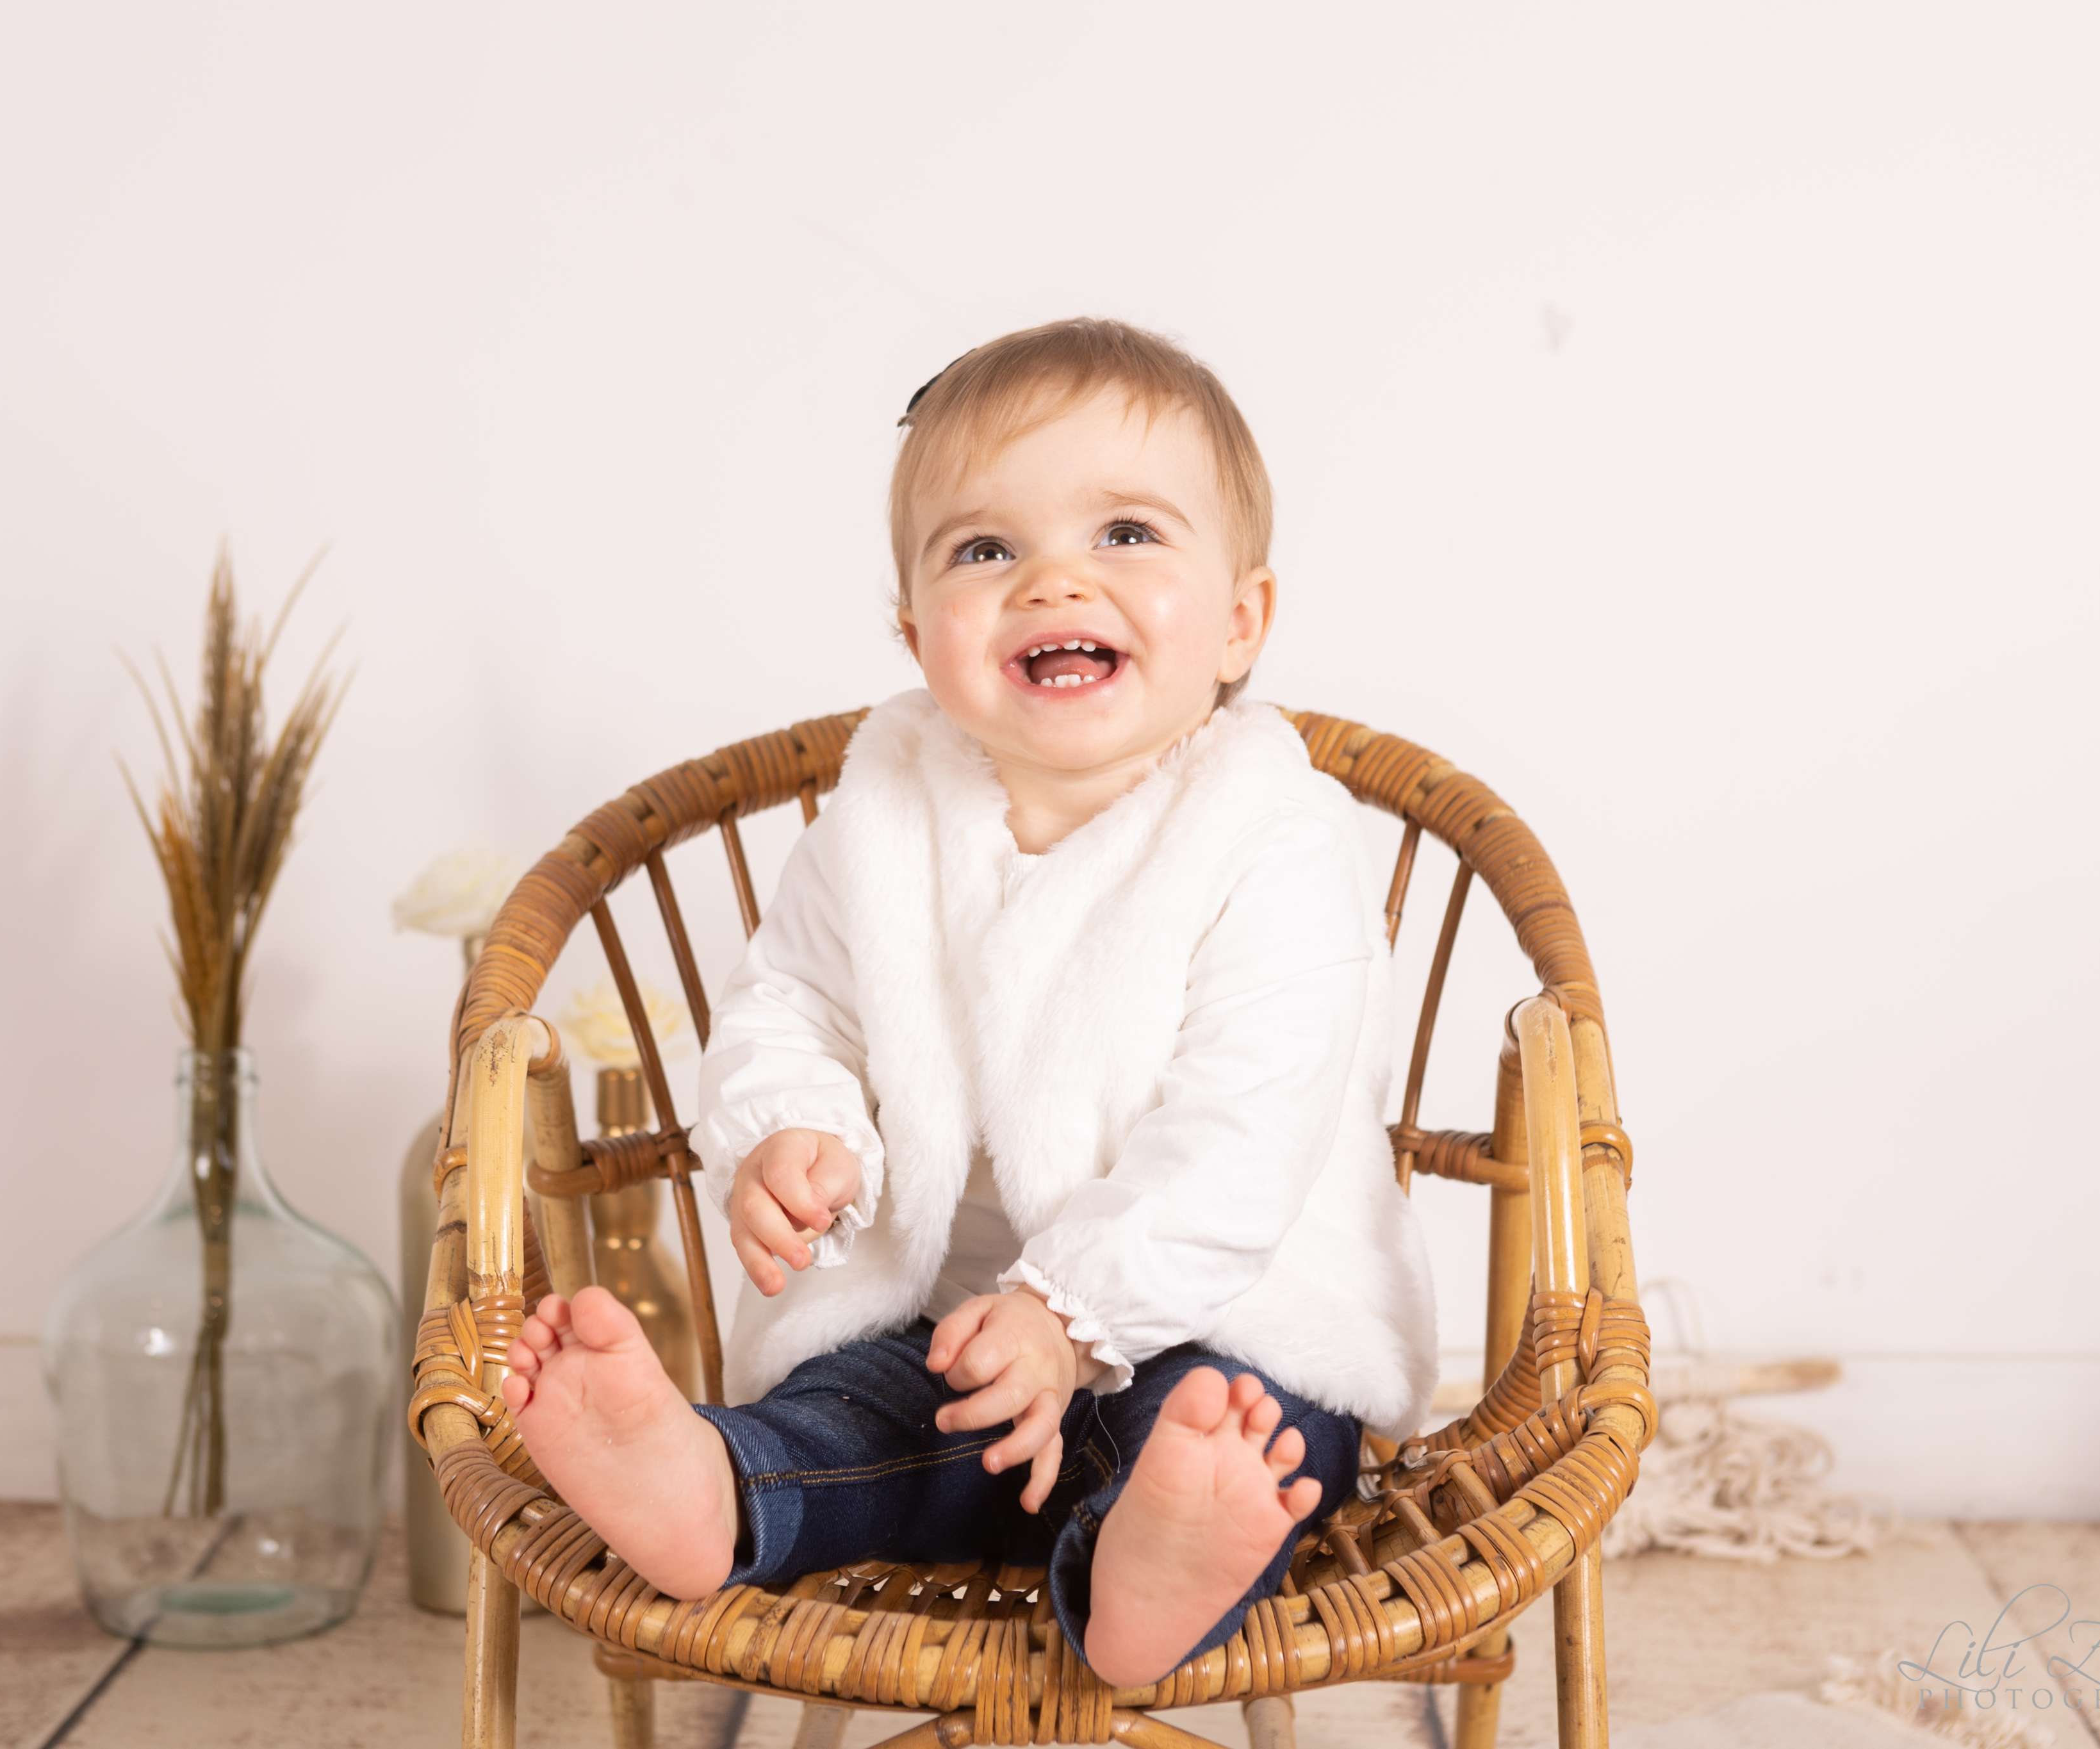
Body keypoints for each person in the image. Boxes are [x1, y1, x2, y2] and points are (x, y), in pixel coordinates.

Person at [500, 315, 1439, 1689]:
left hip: (1220, 1313)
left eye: (1125, 533)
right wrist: (791, 1134)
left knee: (1245, 1435)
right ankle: (717, 1485)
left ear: (1239, 619)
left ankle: (1152, 1562)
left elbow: (1243, 1135)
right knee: (861, 1415)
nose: (1054, 578)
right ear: (912, 634)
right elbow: (790, 1010)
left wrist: (1070, 1317)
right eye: (983, 550)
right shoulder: (878, 822)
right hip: (961, 1327)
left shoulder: (1271, 837)